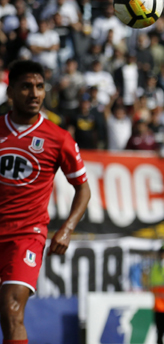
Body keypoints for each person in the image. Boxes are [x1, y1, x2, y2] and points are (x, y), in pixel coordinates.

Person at [0, 60, 91, 344]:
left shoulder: (58, 138)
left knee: (12, 311)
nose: (35, 93)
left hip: (26, 235)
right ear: (10, 92)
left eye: (39, 86)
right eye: (26, 86)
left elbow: (83, 190)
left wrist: (67, 228)